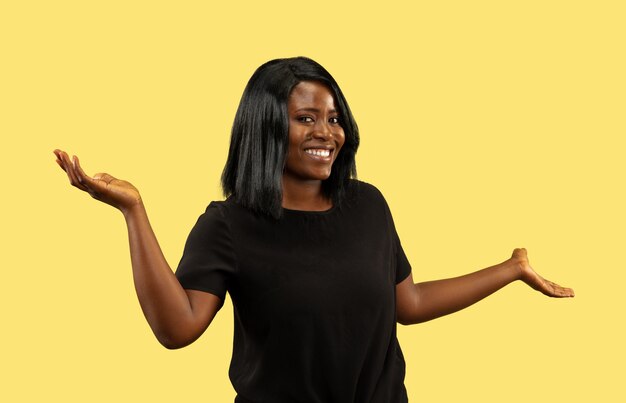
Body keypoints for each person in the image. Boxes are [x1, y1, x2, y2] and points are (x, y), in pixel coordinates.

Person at [54, 56, 574, 402]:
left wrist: (510, 270)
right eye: (306, 118)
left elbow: (407, 304)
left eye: (334, 117)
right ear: (267, 127)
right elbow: (178, 328)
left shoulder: (368, 204)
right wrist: (134, 211)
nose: (328, 132)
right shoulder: (229, 225)